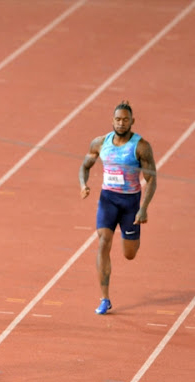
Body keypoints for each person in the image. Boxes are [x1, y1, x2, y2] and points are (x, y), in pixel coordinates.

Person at [79, 100, 157, 315]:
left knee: (129, 254)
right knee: (103, 242)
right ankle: (105, 298)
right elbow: (85, 166)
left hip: (130, 203)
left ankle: (131, 237)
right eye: (118, 119)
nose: (121, 123)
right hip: (108, 200)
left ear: (132, 121)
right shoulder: (100, 143)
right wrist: (83, 184)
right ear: (112, 120)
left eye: (125, 120)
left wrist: (144, 208)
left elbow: (152, 180)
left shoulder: (141, 147)